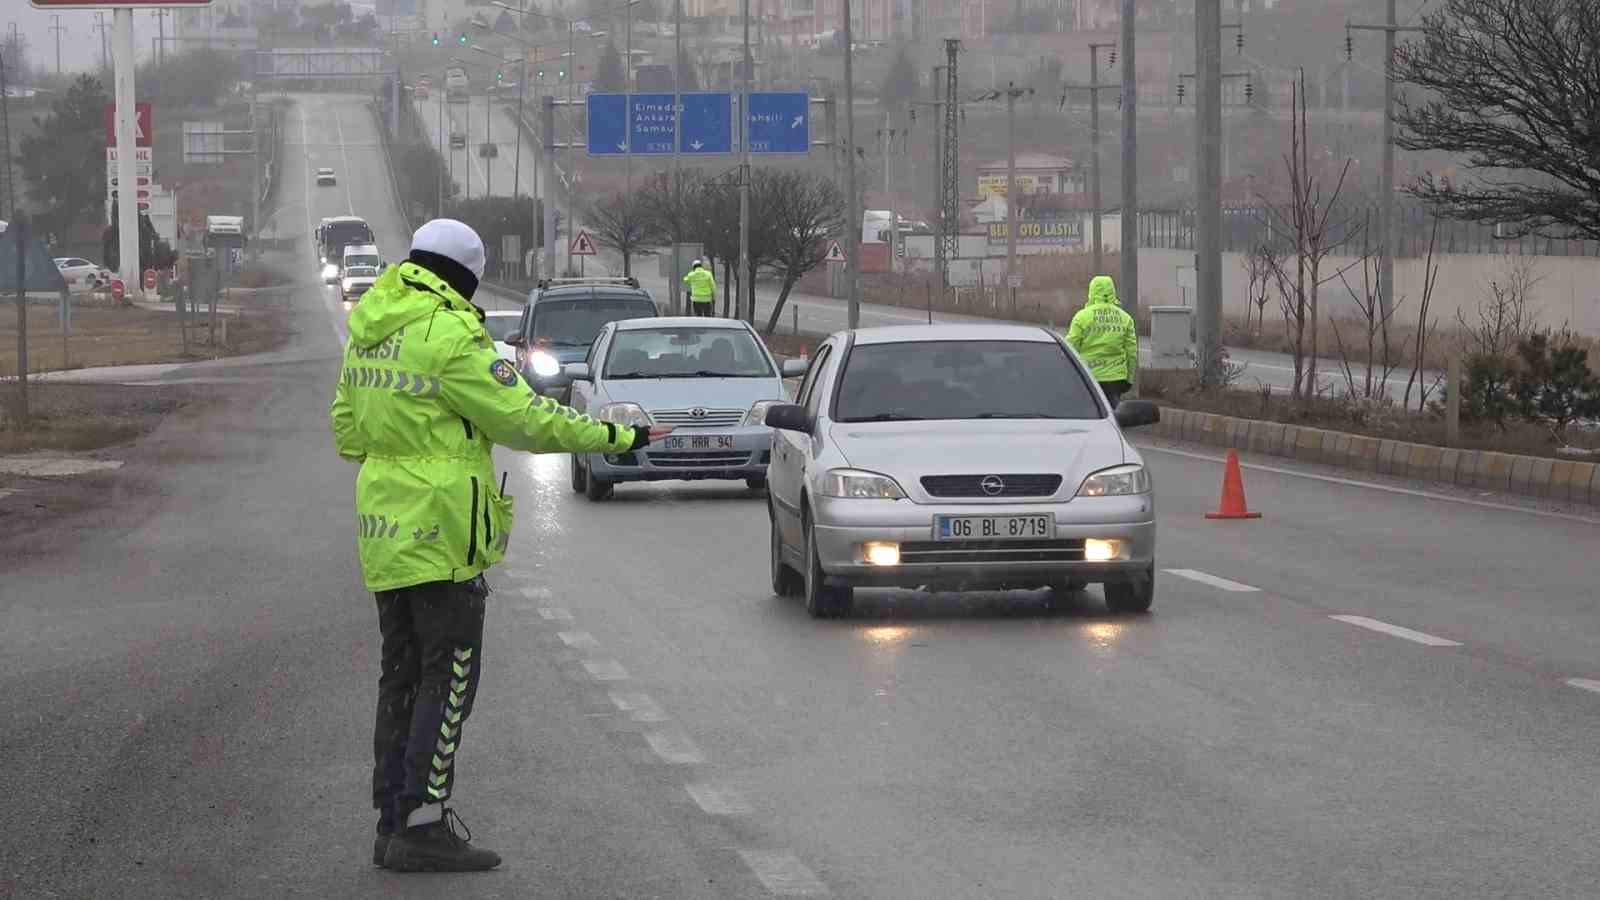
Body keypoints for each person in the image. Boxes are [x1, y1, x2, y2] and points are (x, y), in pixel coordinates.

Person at [330, 219, 672, 873]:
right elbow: (526, 419)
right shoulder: (452, 334)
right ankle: (423, 825)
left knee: (400, 676)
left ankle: (392, 820)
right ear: (466, 272)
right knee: (449, 676)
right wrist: (617, 438)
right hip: (444, 531)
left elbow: (347, 431)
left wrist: (404, 445)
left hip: (385, 530)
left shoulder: (371, 328)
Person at [1065, 274, 1139, 408]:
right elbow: (1132, 353)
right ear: (1113, 291)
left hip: (1088, 378)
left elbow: (1070, 348)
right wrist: (1129, 379)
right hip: (1116, 379)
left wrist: (1070, 376)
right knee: (1114, 417)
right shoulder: (1125, 318)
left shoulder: (1081, 317)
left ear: (1091, 292)